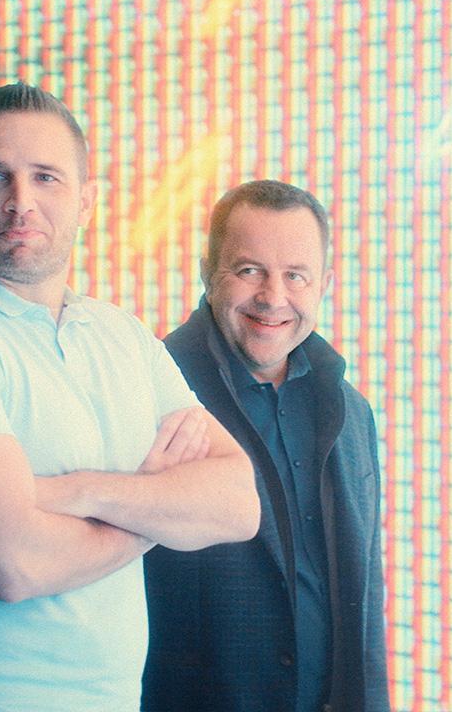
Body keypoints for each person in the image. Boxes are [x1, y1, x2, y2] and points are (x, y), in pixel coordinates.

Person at [0, 82, 261, 710]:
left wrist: (82, 490)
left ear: (86, 202)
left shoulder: (123, 336)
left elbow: (238, 503)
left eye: (46, 178)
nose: (21, 202)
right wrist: (154, 510)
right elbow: (11, 564)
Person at [142, 180, 390, 712]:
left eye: (295, 276)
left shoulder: (352, 413)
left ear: (323, 284)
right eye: (249, 270)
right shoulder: (150, 390)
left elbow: (364, 600)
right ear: (209, 273)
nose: (273, 298)